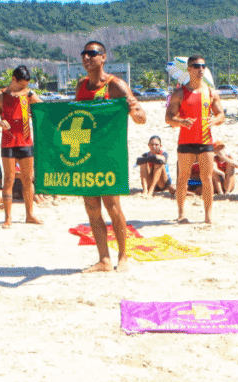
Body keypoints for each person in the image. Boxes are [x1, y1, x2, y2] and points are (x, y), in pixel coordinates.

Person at [74, 40, 146, 273]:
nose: (86, 58)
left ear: (103, 57)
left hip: (109, 154)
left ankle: (123, 256)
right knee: (91, 207)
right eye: (84, 54)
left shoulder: (116, 85)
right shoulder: (81, 86)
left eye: (92, 54)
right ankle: (104, 259)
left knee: (112, 205)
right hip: (86, 155)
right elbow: (77, 118)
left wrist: (134, 110)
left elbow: (140, 116)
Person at [166, 55, 225, 224]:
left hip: (205, 141)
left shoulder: (211, 92)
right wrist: (181, 121)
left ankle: (208, 215)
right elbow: (168, 118)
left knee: (207, 179)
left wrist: (215, 120)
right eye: (196, 66)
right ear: (189, 69)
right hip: (185, 141)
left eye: (203, 66)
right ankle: (181, 213)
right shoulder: (180, 92)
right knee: (183, 178)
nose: (200, 69)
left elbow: (221, 114)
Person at [0, 66, 43, 228]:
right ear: (14, 79)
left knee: (28, 179)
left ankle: (30, 214)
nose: (24, 88)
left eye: (26, 85)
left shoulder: (28, 94)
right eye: (21, 85)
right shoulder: (1, 97)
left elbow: (44, 110)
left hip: (26, 141)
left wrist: (33, 95)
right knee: (9, 179)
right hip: (9, 142)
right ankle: (8, 217)